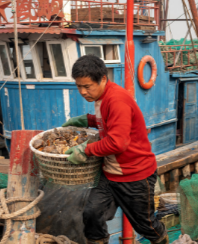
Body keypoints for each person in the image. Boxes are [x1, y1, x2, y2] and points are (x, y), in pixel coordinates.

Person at [62, 55, 168, 244]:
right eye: (79, 86)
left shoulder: (116, 99)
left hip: (135, 175)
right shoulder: (101, 97)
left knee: (147, 225)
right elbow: (109, 122)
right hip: (110, 173)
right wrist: (88, 120)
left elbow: (118, 143)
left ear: (103, 79)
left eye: (87, 86)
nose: (83, 92)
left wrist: (85, 150)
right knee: (91, 213)